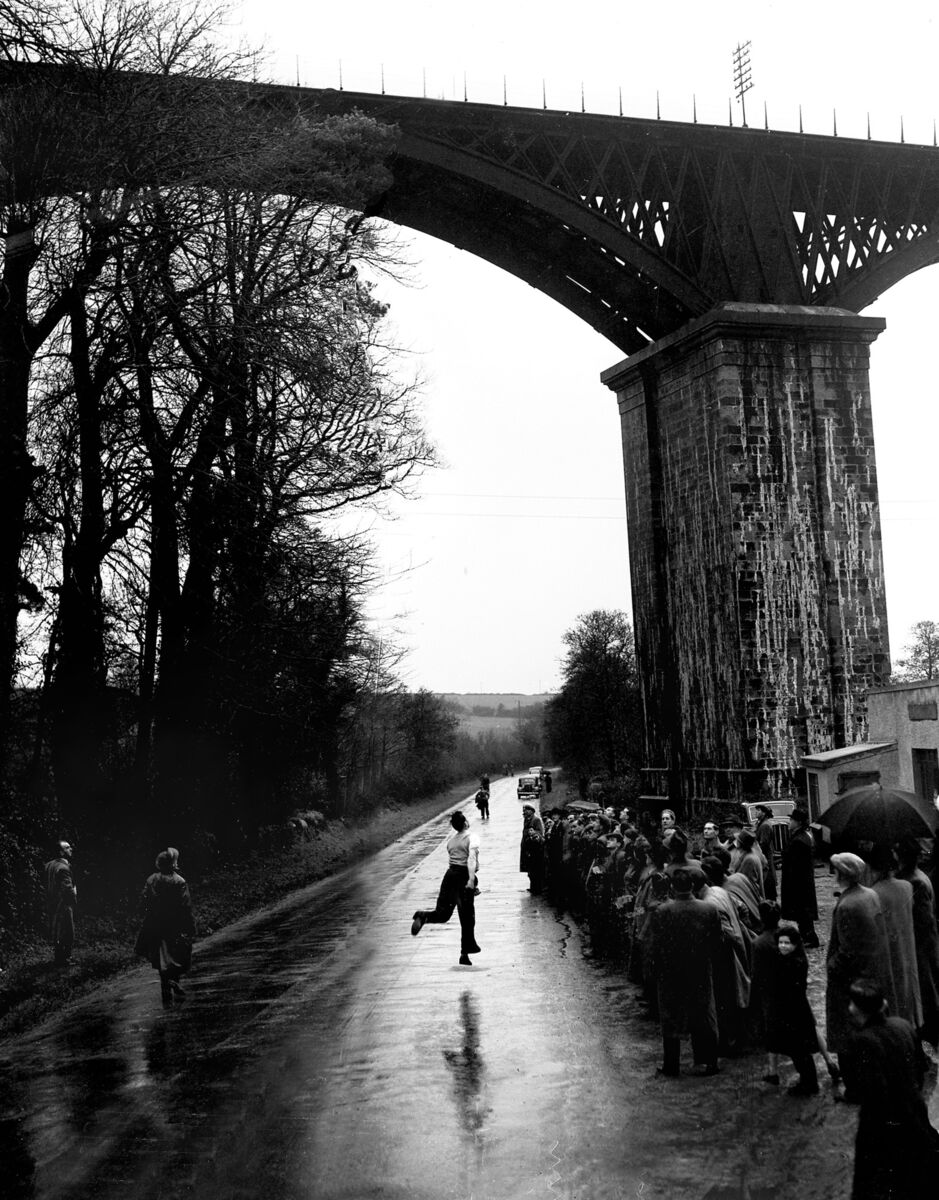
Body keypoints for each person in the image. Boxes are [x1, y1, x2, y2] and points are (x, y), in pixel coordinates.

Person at [847, 979, 939, 1199]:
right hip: (916, 1113)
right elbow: (921, 1068)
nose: (849, 1007)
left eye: (852, 1003)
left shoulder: (862, 1041)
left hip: (886, 1126)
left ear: (859, 1011)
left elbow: (873, 1096)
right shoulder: (902, 1024)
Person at [826, 852, 895, 1099]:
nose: (831, 873)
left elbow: (846, 951)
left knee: (846, 1033)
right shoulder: (869, 894)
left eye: (834, 869)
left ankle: (854, 1089)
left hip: (849, 980)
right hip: (871, 972)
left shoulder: (847, 905)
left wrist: (832, 968)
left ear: (842, 874)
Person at [648, 867, 722, 1077]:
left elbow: (656, 945)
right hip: (700, 969)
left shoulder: (663, 911)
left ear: (672, 887)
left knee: (671, 1017)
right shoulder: (708, 909)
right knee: (705, 1014)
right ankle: (710, 1062)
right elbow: (717, 942)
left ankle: (672, 1065)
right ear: (692, 886)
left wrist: (655, 970)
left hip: (671, 972)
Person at [411, 811, 481, 966]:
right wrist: (470, 880)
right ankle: (465, 952)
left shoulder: (451, 842)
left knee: (442, 914)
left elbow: (454, 862)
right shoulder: (472, 838)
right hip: (463, 877)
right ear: (465, 823)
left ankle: (423, 916)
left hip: (449, 877)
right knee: (467, 917)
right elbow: (471, 860)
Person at [867, 844, 922, 1032]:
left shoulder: (874, 892)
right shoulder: (907, 886)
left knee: (892, 992)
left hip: (887, 950)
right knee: (907, 989)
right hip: (907, 947)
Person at [134, 847, 196, 1008]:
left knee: (161, 958)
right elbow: (185, 906)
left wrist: (146, 915)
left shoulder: (152, 879)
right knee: (177, 955)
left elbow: (144, 901)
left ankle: (166, 996)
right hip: (174, 925)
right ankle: (174, 982)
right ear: (172, 864)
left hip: (155, 925)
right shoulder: (179, 881)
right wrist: (190, 927)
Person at [895, 836, 939, 1047]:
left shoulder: (915, 881)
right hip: (922, 943)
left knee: (924, 990)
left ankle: (927, 1033)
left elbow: (924, 921)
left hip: (920, 945)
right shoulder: (918, 876)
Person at [780, 808, 819, 948]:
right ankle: (807, 937)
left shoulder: (799, 840)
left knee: (802, 912)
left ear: (798, 822)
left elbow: (796, 865)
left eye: (791, 820)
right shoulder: (800, 837)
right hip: (801, 882)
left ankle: (809, 938)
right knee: (802, 912)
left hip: (798, 883)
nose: (789, 822)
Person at [44, 840, 77, 966]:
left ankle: (58, 957)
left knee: (57, 931)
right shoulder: (63, 868)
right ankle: (65, 959)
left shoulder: (49, 865)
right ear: (60, 852)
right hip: (63, 904)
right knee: (68, 931)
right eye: (67, 848)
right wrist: (73, 900)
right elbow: (67, 889)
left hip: (51, 903)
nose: (71, 849)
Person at [754, 805, 779, 900]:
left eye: (758, 810)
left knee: (767, 881)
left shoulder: (765, 825)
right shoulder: (761, 823)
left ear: (764, 813)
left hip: (765, 858)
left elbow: (763, 844)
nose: (756, 812)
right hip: (763, 857)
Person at [519, 803, 545, 894]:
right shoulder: (527, 820)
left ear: (531, 810)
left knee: (535, 869)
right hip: (528, 848)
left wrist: (533, 835)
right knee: (530, 870)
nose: (524, 812)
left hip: (534, 849)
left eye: (526, 810)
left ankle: (537, 888)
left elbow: (539, 832)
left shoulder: (536, 820)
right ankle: (533, 887)